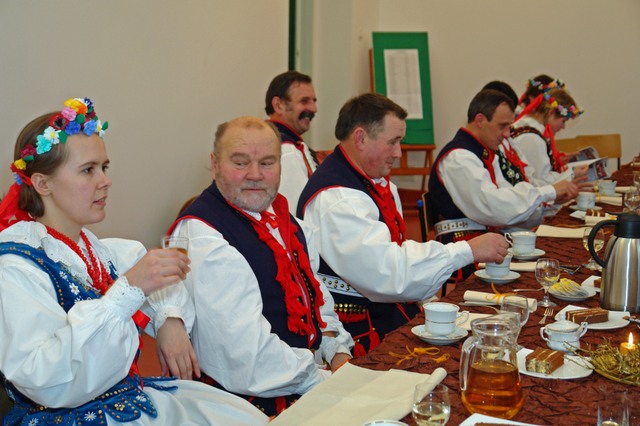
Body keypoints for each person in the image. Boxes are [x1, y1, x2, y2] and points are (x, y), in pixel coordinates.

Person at [0, 98, 268, 425]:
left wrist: (169, 319)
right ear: (43, 184)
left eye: (104, 167)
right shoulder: (17, 265)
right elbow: (44, 377)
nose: (105, 180)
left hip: (123, 398)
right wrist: (126, 292)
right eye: (88, 170)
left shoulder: (94, 250)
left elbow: (150, 276)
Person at [167, 116, 353, 417]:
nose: (255, 175)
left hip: (304, 380)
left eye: (267, 163)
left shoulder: (284, 219)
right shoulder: (203, 236)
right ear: (215, 165)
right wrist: (323, 381)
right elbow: (245, 357)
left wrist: (336, 352)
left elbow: (315, 298)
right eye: (240, 163)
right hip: (247, 406)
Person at [297, 93, 508, 355]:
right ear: (360, 138)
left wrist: (427, 299)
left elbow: (397, 251)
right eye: (393, 142)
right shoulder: (337, 199)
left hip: (387, 311)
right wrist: (466, 250)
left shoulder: (369, 181)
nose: (398, 153)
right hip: (359, 333)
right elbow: (387, 274)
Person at [428, 89, 579, 248]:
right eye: (502, 126)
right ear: (480, 120)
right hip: (462, 247)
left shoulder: (484, 153)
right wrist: (547, 193)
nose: (507, 134)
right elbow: (494, 208)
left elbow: (507, 198)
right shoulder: (459, 158)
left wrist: (547, 200)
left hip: (484, 239)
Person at [266, 70, 319, 213]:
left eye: (314, 101)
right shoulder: (286, 150)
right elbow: (298, 213)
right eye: (304, 101)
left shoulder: (270, 141)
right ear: (278, 105)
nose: (314, 109)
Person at [511, 87, 584, 186]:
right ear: (551, 113)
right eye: (563, 121)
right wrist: (572, 174)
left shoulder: (529, 127)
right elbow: (541, 182)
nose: (563, 127)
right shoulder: (532, 138)